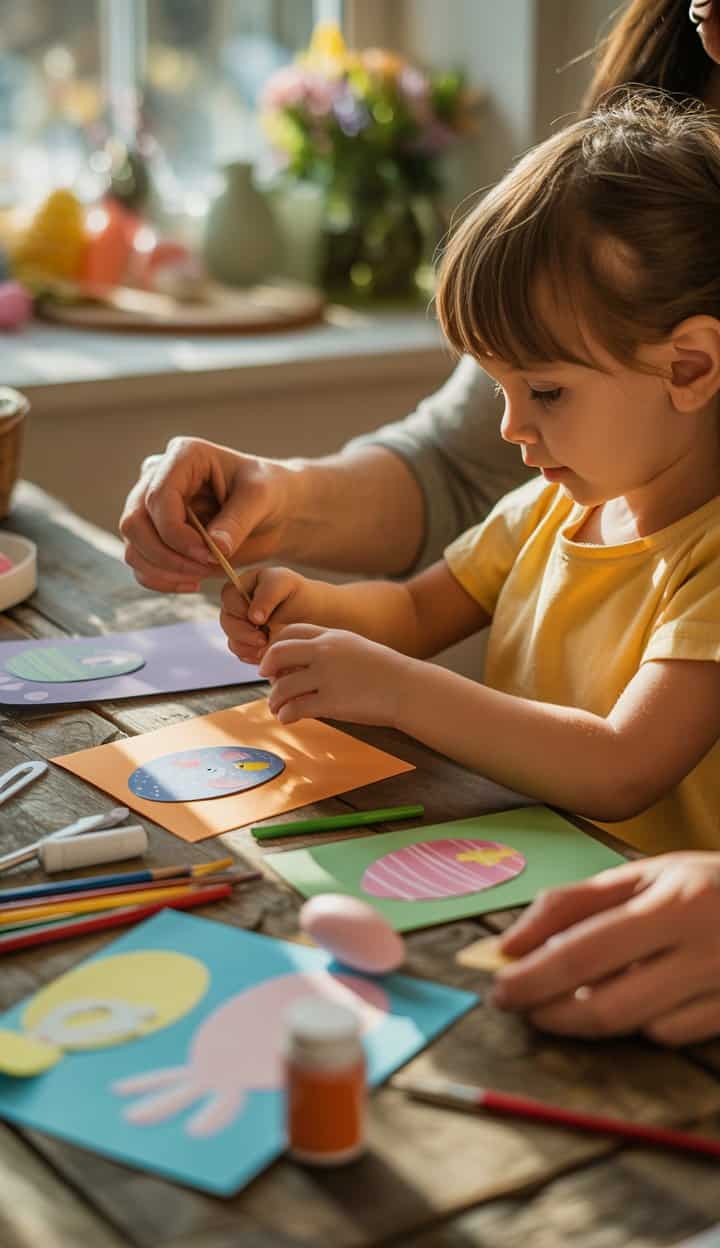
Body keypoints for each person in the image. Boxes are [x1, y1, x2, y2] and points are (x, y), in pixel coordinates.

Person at [120, 1, 720, 1044]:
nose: (510, 427)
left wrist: (398, 689)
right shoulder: (547, 503)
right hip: (509, 888)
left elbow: (625, 763)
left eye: (543, 391)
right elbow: (409, 609)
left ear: (690, 367)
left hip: (645, 962)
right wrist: (313, 608)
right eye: (497, 386)